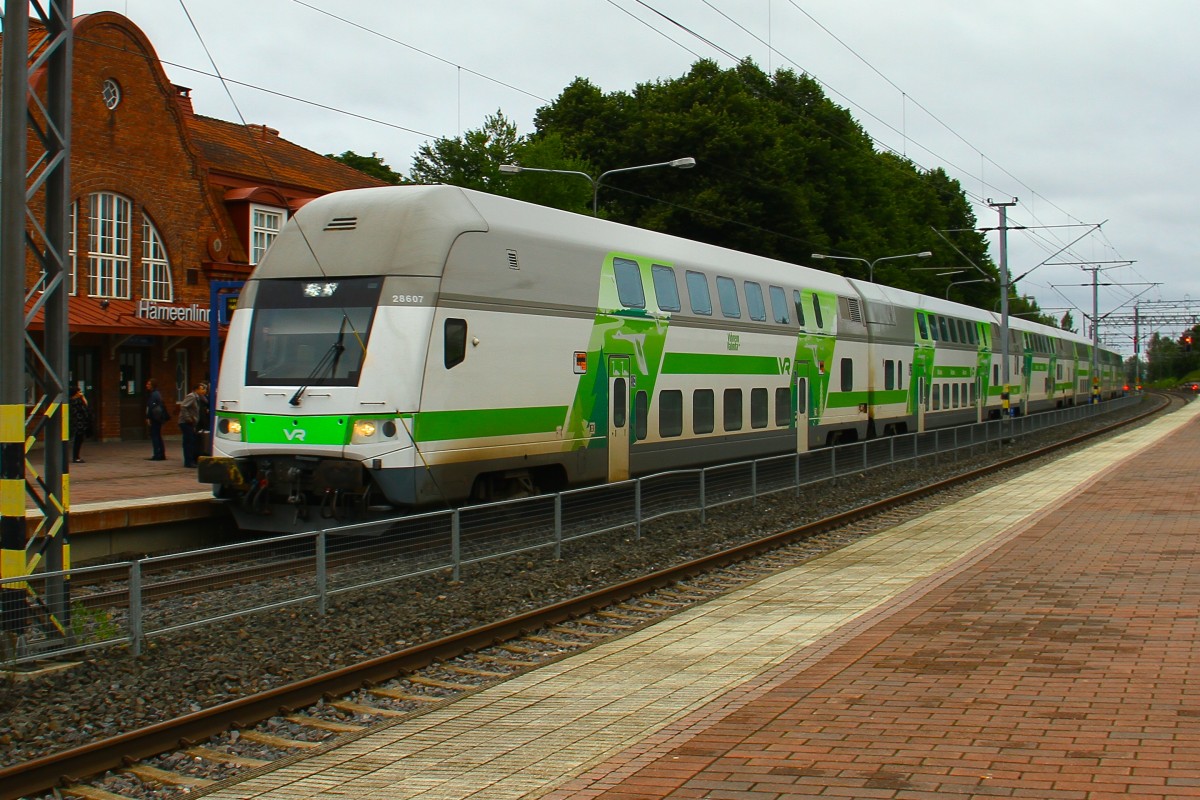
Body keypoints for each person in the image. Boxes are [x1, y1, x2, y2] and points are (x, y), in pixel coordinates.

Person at [177, 381, 208, 468]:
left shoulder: (198, 397)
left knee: (191, 441)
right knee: (188, 442)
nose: (203, 391)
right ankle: (188, 462)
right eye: (202, 389)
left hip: (192, 422)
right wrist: (188, 418)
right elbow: (183, 406)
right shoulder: (191, 396)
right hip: (186, 422)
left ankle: (191, 460)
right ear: (196, 389)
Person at [145, 378, 167, 461]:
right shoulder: (156, 394)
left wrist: (148, 417)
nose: (147, 385)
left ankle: (157, 455)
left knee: (155, 436)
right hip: (158, 418)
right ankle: (161, 453)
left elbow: (151, 407)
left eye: (149, 384)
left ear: (152, 385)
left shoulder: (153, 395)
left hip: (155, 418)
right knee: (158, 435)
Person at [69, 386, 91, 463]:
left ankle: (76, 456)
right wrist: (83, 397)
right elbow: (86, 405)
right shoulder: (77, 401)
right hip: (79, 423)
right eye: (79, 392)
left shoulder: (71, 401)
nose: (81, 393)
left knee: (78, 440)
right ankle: (76, 457)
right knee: (78, 440)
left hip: (77, 423)